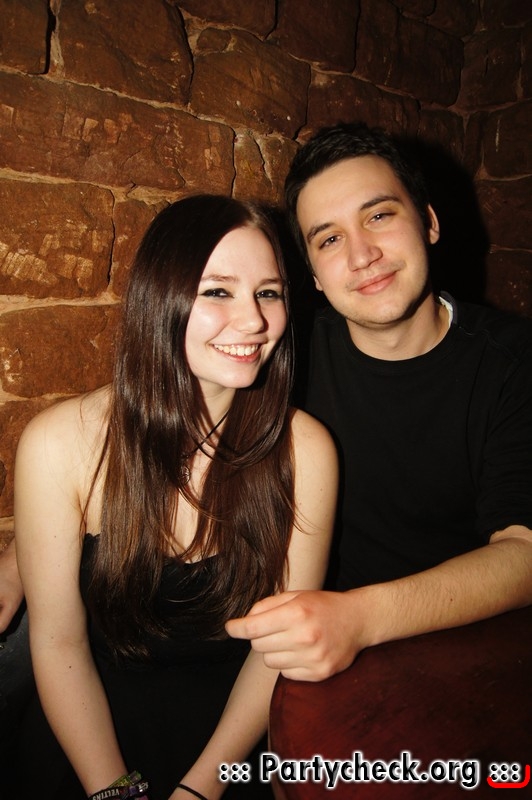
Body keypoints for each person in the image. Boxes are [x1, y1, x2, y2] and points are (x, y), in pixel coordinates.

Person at [14, 195, 338, 799]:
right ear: (159, 299)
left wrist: (200, 790)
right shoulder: (60, 445)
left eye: (268, 293)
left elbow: (274, 652)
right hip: (89, 728)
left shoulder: (306, 450)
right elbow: (58, 643)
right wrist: (114, 790)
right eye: (217, 291)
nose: (253, 320)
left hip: (234, 733)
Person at [226, 121, 532, 681]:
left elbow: (525, 552)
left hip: (472, 654)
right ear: (313, 275)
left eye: (379, 216)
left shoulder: (513, 361)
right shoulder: (288, 354)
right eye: (329, 239)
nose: (362, 254)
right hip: (315, 653)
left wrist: (361, 618)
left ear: (429, 222)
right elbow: (181, 394)